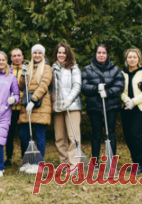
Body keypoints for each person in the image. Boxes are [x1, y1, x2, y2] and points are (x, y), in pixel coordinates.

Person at [82, 44, 125, 170]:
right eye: (99, 52)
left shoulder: (115, 69)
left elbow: (119, 85)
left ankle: (111, 161)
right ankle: (95, 162)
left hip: (110, 105)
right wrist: (96, 88)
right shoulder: (88, 69)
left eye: (103, 53)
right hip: (94, 106)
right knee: (96, 134)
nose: (101, 55)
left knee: (110, 133)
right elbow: (84, 87)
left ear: (107, 55)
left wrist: (109, 92)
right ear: (95, 54)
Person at [17, 44, 52, 174]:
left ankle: (39, 164)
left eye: (40, 53)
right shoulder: (28, 67)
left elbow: (44, 84)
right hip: (27, 105)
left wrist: (34, 100)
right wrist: (23, 75)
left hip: (40, 104)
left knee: (39, 135)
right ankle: (29, 161)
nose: (37, 55)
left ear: (43, 55)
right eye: (35, 53)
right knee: (23, 134)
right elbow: (21, 87)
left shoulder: (47, 68)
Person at [121, 48, 142, 174]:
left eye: (134, 57)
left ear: (139, 59)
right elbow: (119, 90)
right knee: (128, 136)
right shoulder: (121, 74)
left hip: (140, 108)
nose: (132, 59)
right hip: (126, 108)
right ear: (126, 59)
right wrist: (127, 100)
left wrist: (133, 101)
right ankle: (135, 163)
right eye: (129, 57)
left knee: (135, 134)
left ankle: (140, 164)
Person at [51, 42, 82, 170]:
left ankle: (74, 164)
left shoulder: (73, 67)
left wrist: (69, 99)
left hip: (72, 106)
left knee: (73, 137)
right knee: (60, 137)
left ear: (68, 54)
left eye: (64, 52)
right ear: (56, 54)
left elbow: (77, 85)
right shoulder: (52, 68)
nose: (61, 55)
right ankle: (63, 163)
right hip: (57, 107)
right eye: (59, 52)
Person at [4, 48, 29, 167]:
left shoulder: (28, 68)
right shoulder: (7, 70)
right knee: (9, 134)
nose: (17, 58)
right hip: (10, 108)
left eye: (19, 55)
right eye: (14, 56)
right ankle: (8, 157)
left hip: (23, 107)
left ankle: (25, 158)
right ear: (11, 58)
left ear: (23, 56)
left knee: (23, 135)